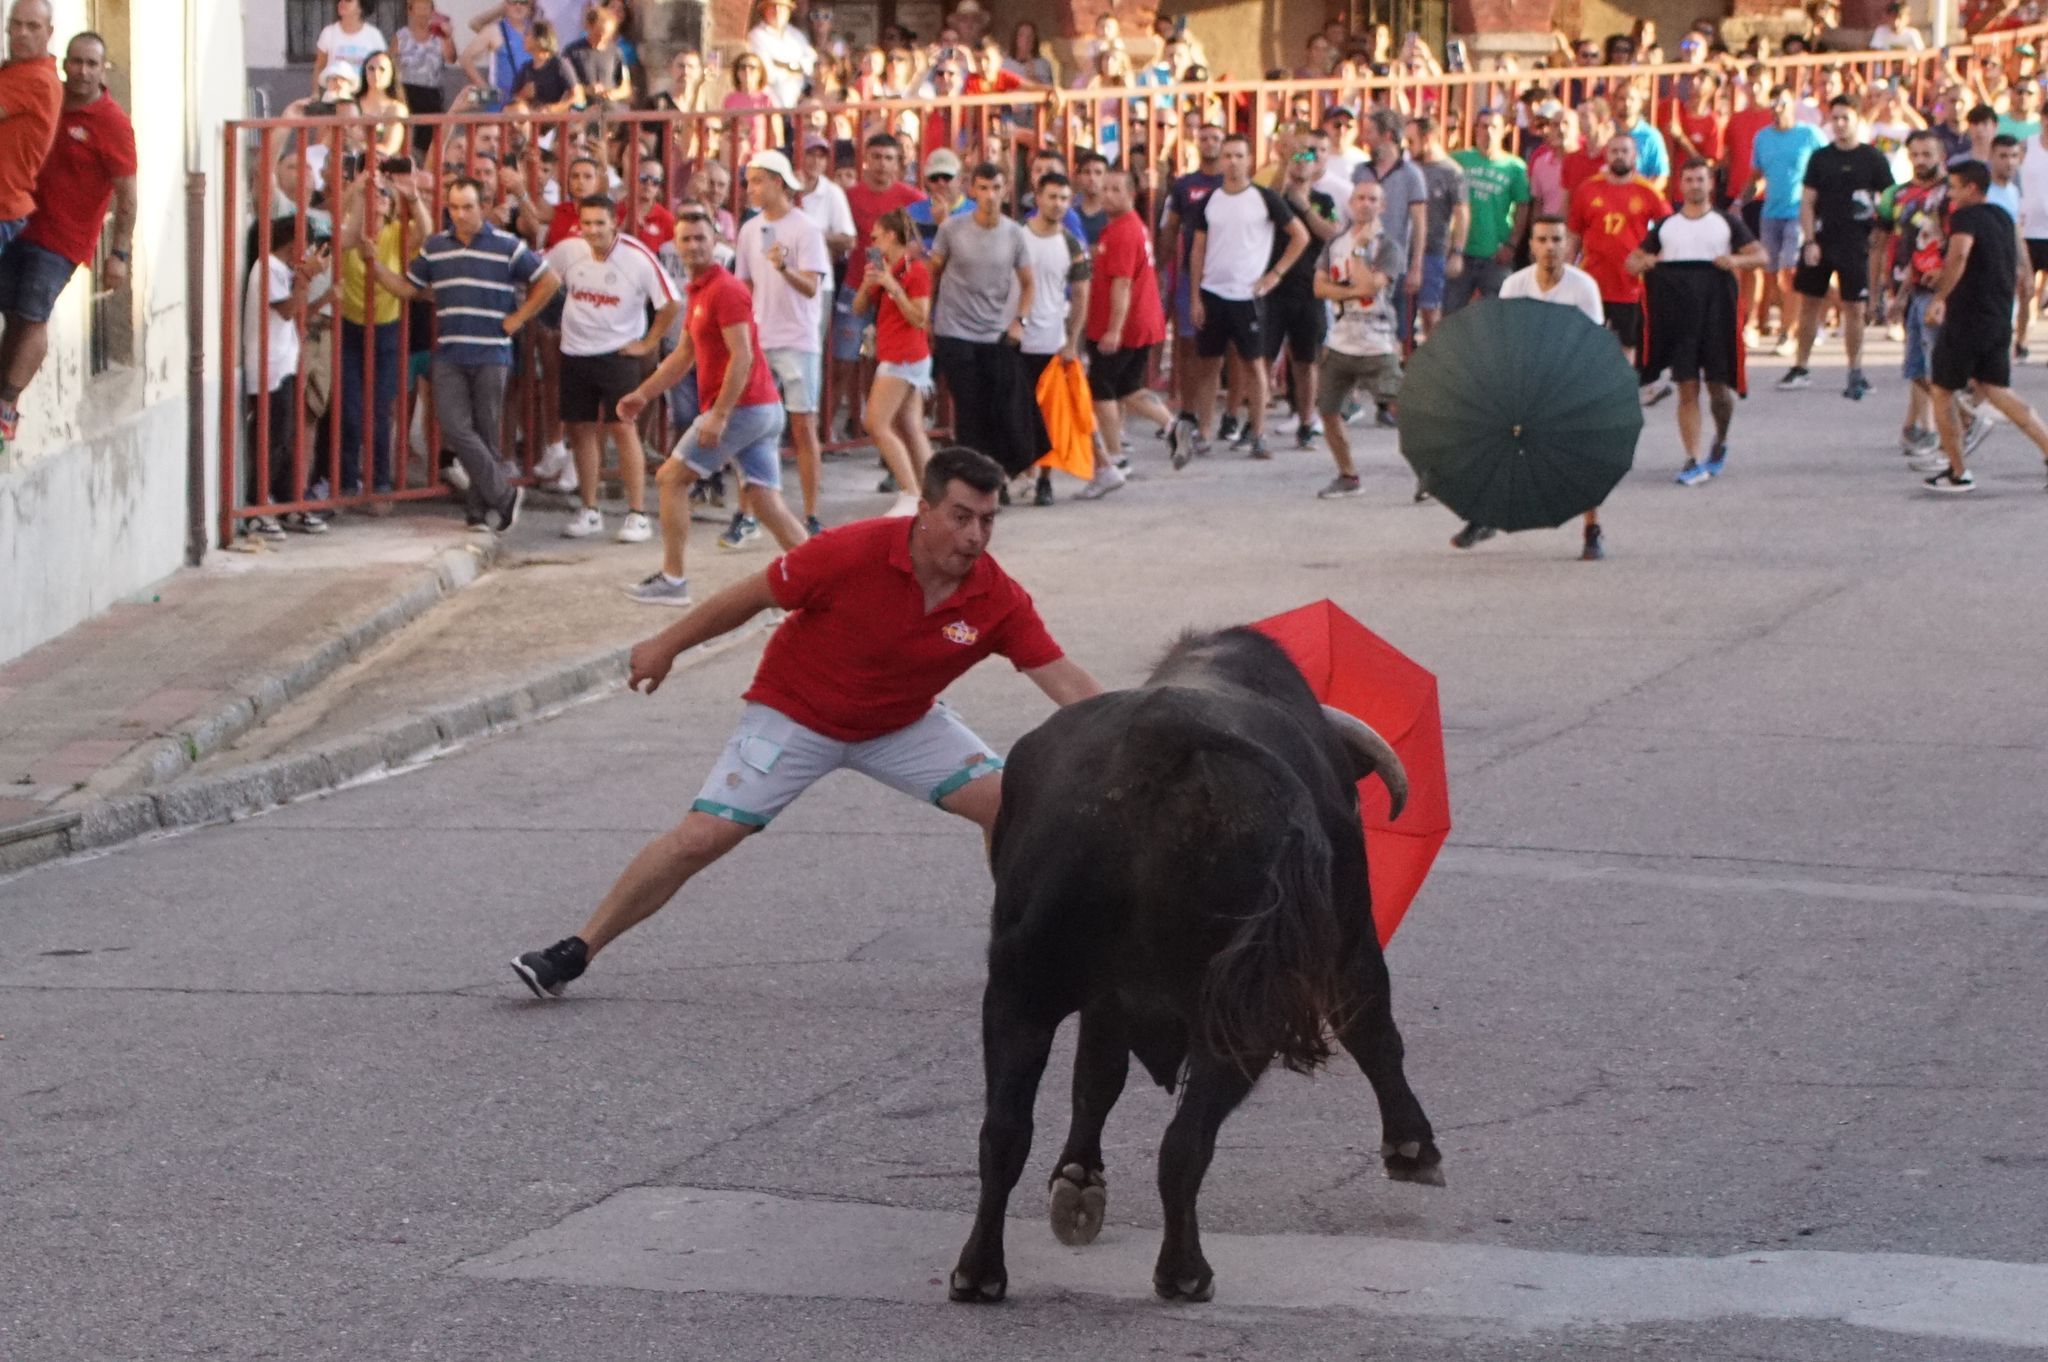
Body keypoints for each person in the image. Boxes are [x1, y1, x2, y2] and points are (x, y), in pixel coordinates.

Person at [511, 445, 1102, 998]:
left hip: (901, 725)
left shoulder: (996, 597)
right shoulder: (851, 551)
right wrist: (667, 644)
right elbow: (750, 595)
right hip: (796, 714)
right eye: (961, 516)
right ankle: (576, 951)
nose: (975, 536)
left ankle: (1021, 951)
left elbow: (1067, 682)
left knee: (1013, 805)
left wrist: (1133, 739)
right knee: (699, 838)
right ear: (923, 510)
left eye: (988, 520)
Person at [615, 213, 807, 603]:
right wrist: (643, 394)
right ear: (675, 243)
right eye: (685, 239)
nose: (693, 246)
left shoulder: (726, 289)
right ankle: (822, 579)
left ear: (716, 239)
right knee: (766, 501)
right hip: (758, 408)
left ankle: (673, 580)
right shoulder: (700, 290)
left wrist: (719, 415)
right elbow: (684, 354)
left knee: (670, 479)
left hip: (744, 408)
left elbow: (744, 356)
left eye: (701, 238)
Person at [364, 176, 558, 531]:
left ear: (483, 207)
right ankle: (503, 495)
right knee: (455, 427)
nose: (460, 214)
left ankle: (479, 510)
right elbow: (409, 288)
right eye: (453, 207)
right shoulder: (437, 246)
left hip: (491, 352)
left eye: (467, 207)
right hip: (450, 352)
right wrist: (374, 266)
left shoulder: (506, 244)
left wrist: (518, 318)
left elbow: (549, 280)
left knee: (485, 432)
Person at [0, 30, 132, 450]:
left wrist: (119, 254)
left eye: (91, 63)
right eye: (75, 61)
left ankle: (6, 404)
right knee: (14, 316)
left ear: (103, 69)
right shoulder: (49, 97)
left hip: (62, 239)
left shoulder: (112, 123)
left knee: (33, 313)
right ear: (64, 63)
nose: (81, 71)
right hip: (19, 220)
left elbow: (128, 194)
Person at [1628, 159, 1768, 488]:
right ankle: (1691, 458)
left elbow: (1761, 257)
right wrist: (1646, 261)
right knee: (1686, 386)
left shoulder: (1727, 223)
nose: (1694, 185)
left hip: (1717, 309)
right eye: (1688, 179)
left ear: (1710, 185)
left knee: (1718, 388)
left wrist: (1735, 260)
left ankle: (1720, 439)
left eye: (1700, 179)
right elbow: (1631, 262)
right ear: (1680, 185)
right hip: (1677, 313)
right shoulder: (1665, 226)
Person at [548, 195, 681, 541]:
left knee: (623, 428)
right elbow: (542, 279)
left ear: (614, 224)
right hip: (575, 351)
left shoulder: (636, 258)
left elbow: (670, 303)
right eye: (587, 223)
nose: (593, 230)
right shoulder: (567, 250)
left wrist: (648, 343)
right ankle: (589, 510)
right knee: (580, 431)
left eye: (599, 223)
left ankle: (637, 514)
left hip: (617, 353)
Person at [1174, 133, 1309, 463]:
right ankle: (1204, 431)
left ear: (1249, 160)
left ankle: (1258, 433)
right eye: (1227, 156)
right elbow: (1197, 252)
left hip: (1248, 296)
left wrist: (1274, 275)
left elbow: (1299, 236)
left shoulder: (1263, 198)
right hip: (1213, 293)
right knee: (1208, 364)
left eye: (1238, 155)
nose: (1232, 162)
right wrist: (1195, 297)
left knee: (1253, 364)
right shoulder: (1209, 202)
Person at [1484, 213, 1610, 558]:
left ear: (1568, 244)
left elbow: (1592, 342)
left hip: (1570, 381)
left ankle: (1591, 529)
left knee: (1580, 460)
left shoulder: (1583, 286)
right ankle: (1484, 514)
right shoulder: (1515, 285)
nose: (1550, 247)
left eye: (1557, 239)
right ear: (1531, 246)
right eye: (1542, 240)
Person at [1923, 159, 2048, 492]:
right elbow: (1997, 261)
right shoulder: (2002, 217)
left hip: (1968, 318)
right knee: (1996, 389)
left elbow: (1960, 256)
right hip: (1997, 315)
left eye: (1953, 186)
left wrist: (1940, 296)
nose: (1949, 193)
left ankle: (1958, 471)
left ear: (1970, 188)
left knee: (1942, 390)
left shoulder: (1964, 217)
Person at [735, 150, 832, 537]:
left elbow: (812, 286)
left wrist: (782, 268)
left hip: (798, 340)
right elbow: (743, 284)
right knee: (754, 427)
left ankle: (810, 513)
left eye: (757, 181)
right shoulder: (748, 230)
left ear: (778, 182)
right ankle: (749, 514)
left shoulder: (805, 229)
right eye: (749, 181)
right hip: (761, 338)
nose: (751, 189)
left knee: (803, 427)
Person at [928, 161, 1036, 475]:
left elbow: (1029, 283)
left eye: (996, 188)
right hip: (954, 329)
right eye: (983, 188)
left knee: (997, 407)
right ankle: (971, 478)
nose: (989, 195)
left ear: (1006, 190)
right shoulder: (952, 228)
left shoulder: (1014, 233)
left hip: (995, 332)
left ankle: (992, 475)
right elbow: (932, 272)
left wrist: (1020, 321)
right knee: (968, 406)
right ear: (972, 190)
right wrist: (926, 318)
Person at [1783, 94, 1893, 399]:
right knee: (1809, 304)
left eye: (1846, 118)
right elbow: (1807, 202)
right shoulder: (1821, 158)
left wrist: (1880, 237)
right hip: (1822, 240)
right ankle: (1801, 366)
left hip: (1856, 243)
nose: (1840, 124)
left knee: (1854, 308)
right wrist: (1809, 240)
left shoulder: (1873, 158)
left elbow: (1889, 202)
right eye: (1836, 118)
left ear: (1858, 119)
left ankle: (1855, 371)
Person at [1082, 167, 1174, 497]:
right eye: (1104, 188)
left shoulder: (1123, 231)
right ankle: (1171, 425)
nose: (1107, 194)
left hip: (1124, 325)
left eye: (1115, 189)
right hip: (1141, 322)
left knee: (1102, 391)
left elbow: (1121, 284)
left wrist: (1113, 330)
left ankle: (1115, 456)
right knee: (1128, 389)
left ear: (1131, 194)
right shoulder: (1126, 228)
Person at [1311, 180, 1405, 501]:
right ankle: (1348, 475)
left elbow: (1370, 286)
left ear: (1383, 206)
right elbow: (1320, 287)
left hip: (1376, 342)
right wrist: (1352, 291)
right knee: (1327, 409)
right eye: (1360, 198)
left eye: (1373, 199)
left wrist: (1361, 252)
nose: (1365, 204)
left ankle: (1431, 470)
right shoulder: (1335, 243)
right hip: (1340, 341)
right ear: (1350, 202)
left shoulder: (1388, 246)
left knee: (1403, 407)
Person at [240, 219, 331, 540]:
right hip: (269, 367)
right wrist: (307, 277)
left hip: (285, 363)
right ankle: (258, 503)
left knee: (289, 437)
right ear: (292, 241)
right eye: (304, 245)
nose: (306, 253)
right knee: (272, 438)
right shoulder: (267, 269)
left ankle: (289, 501)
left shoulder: (281, 270)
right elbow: (289, 310)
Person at [1878, 130, 1954, 468]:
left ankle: (1946, 430)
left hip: (1939, 286)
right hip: (1906, 280)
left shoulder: (1952, 194)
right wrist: (1883, 286)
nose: (1921, 160)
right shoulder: (1897, 195)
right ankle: (1919, 425)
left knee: (1936, 361)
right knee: (1916, 362)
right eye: (1915, 154)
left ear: (1941, 155)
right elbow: (1882, 242)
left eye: (1928, 153)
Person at [1016, 171, 1092, 505]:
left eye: (1064, 198)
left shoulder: (1071, 244)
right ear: (1038, 197)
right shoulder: (1017, 238)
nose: (1058, 204)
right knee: (1014, 411)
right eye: (1052, 197)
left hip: (1051, 339)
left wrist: (1072, 341)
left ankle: (1045, 480)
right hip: (1017, 339)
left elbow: (1081, 294)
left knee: (1050, 416)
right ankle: (1016, 474)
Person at [856, 207, 935, 516]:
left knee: (876, 423)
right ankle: (934, 494)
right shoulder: (888, 267)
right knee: (910, 427)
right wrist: (869, 282)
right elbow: (859, 306)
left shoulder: (915, 271)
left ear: (891, 236)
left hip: (904, 355)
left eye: (876, 237)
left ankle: (911, 492)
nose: (873, 243)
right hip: (897, 353)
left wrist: (893, 287)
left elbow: (919, 317)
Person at [1568, 134, 1665, 366]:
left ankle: (1623, 392)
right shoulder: (1588, 189)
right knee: (1586, 343)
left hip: (1629, 284)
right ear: (1606, 154)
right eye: (1614, 151)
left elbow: (1670, 233)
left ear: (1634, 157)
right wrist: (1566, 270)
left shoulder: (1648, 192)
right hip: (1592, 280)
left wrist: (1649, 261)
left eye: (1625, 151)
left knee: (1627, 344)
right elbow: (1573, 234)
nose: (1619, 156)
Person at [1744, 87, 1825, 355]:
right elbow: (1757, 175)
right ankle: (1757, 322)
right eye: (1773, 105)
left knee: (1790, 271)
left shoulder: (1808, 134)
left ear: (1792, 106)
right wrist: (1738, 202)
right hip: (1770, 211)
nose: (1777, 110)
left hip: (1798, 211)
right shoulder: (1762, 137)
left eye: (1782, 104)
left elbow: (1828, 163)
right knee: (1768, 271)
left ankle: (1787, 332)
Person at [1274, 136, 1342, 446]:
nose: (1302, 162)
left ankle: (1306, 421)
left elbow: (1331, 233)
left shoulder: (1323, 200)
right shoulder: (1277, 193)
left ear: (1317, 165)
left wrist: (1304, 208)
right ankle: (1256, 426)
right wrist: (1282, 164)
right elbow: (1267, 201)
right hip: (1275, 287)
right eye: (1296, 156)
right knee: (1261, 359)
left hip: (1310, 289)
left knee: (1306, 360)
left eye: (1307, 157)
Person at [1355, 106, 1429, 367]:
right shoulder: (1361, 171)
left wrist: (1416, 266)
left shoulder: (1411, 174)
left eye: (1370, 132)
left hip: (1394, 263)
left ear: (1387, 135)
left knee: (1396, 329)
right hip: (1363, 261)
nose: (1365, 137)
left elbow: (1419, 223)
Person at [1159, 124, 1224, 420]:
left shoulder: (1233, 184)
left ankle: (1231, 414)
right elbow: (1170, 229)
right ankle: (1187, 410)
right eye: (1204, 138)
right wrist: (1159, 268)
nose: (1210, 143)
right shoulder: (1184, 185)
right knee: (1187, 344)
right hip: (1190, 274)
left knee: (1231, 349)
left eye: (1216, 138)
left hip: (1227, 275)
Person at [1446, 107, 1530, 311]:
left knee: (1496, 316)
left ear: (1504, 131)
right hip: (1462, 251)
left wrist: (1512, 244)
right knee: (1450, 313)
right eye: (1484, 126)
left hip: (1495, 253)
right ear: (1476, 130)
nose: (1488, 132)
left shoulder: (1515, 167)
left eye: (1494, 126)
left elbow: (1523, 207)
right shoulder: (1459, 160)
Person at [1404, 115, 1467, 336]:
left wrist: (1457, 252)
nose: (1408, 147)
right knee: (1402, 318)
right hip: (1405, 251)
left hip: (1434, 251)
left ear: (1428, 138)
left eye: (1412, 141)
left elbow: (1462, 213)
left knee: (1431, 314)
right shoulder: (1408, 168)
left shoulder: (1451, 172)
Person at [459, 0, 534, 113]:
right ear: (505, 4)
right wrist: (487, 91)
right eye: (513, 2)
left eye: (523, 2)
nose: (518, 6)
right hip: (501, 106)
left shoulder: (538, 30)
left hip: (530, 105)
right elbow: (465, 58)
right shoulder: (494, 30)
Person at [747, 0, 816, 111]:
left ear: (789, 11)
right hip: (773, 106)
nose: (777, 11)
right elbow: (767, 72)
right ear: (764, 10)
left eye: (782, 7)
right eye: (773, 7)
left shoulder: (796, 35)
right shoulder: (756, 36)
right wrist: (797, 70)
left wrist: (786, 66)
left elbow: (812, 61)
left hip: (800, 104)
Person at [564, 3, 632, 107]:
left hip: (610, 113)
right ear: (589, 27)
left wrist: (613, 93)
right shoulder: (572, 52)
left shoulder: (616, 52)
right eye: (598, 34)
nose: (602, 39)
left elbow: (626, 88)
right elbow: (563, 85)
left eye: (607, 35)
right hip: (582, 113)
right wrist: (587, 90)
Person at [313, 0, 386, 96]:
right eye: (339, 0)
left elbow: (383, 68)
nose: (341, 3)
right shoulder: (328, 33)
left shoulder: (374, 35)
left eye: (348, 0)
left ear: (361, 7)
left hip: (365, 97)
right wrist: (316, 93)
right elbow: (319, 66)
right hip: (335, 95)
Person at [906, 146, 970, 248]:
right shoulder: (912, 212)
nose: (941, 183)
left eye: (946, 177)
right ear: (927, 181)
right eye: (934, 178)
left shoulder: (976, 212)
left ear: (960, 179)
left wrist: (944, 224)